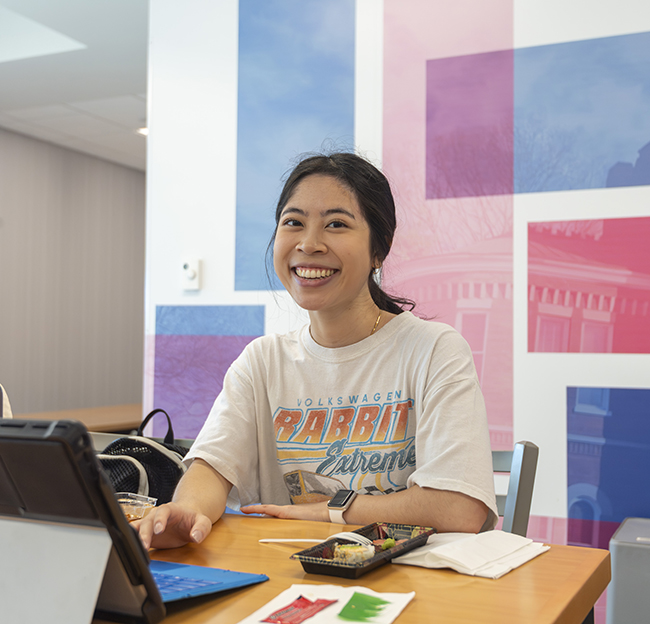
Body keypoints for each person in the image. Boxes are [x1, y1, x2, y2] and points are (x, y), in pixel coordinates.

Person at [137, 152, 498, 550]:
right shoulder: (262, 362)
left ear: (379, 250)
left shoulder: (433, 351)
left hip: (408, 582)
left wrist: (333, 510)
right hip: (290, 577)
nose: (309, 244)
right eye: (293, 223)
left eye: (336, 224)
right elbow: (211, 467)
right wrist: (189, 511)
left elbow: (458, 509)